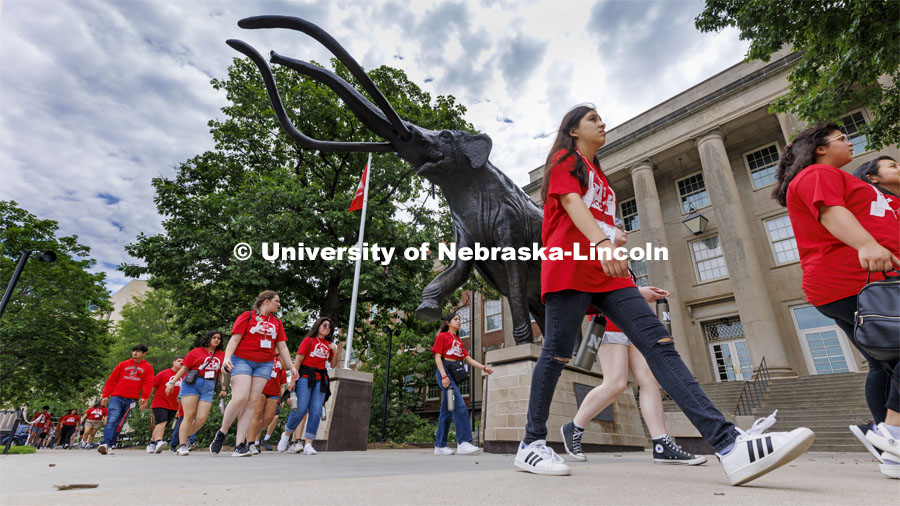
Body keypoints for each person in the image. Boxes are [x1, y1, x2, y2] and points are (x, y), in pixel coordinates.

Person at [518, 104, 814, 485]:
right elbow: (572, 204)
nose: (602, 122)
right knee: (556, 353)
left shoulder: (601, 177)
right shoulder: (565, 158)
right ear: (573, 130)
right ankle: (531, 443)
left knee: (660, 345)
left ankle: (729, 446)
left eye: (601, 117)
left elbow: (605, 222)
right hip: (571, 265)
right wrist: (602, 243)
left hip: (611, 274)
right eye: (593, 119)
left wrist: (627, 275)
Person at [773, 124, 900, 479]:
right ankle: (890, 434)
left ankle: (888, 443)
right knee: (890, 359)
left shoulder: (846, 179)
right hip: (854, 279)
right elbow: (830, 212)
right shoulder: (817, 173)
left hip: (866, 279)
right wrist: (867, 245)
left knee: (887, 364)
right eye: (841, 137)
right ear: (819, 148)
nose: (850, 140)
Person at [561, 287, 706, 466]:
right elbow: (599, 282)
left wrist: (640, 292)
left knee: (650, 380)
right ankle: (574, 427)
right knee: (616, 383)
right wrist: (638, 292)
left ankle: (661, 444)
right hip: (609, 319)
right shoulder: (601, 257)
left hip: (633, 319)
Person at [209, 292, 298, 457]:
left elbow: (283, 347)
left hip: (264, 364)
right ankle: (222, 432)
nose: (279, 305)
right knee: (240, 397)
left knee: (251, 402)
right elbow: (234, 340)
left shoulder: (276, 322)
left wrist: (292, 368)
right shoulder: (247, 316)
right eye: (276, 301)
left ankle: (239, 445)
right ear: (266, 301)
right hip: (242, 360)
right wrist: (226, 359)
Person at [432, 312, 493, 456]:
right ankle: (464, 442)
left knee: (447, 411)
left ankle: (440, 446)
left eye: (459, 320)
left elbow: (468, 359)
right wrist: (444, 376)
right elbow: (437, 357)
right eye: (456, 319)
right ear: (448, 322)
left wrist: (483, 367)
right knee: (459, 404)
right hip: (445, 374)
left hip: (454, 375)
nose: (459, 322)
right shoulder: (442, 336)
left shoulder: (458, 341)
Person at [281, 317, 341, 455]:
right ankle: (286, 434)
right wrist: (292, 380)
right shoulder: (309, 340)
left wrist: (335, 351)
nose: (327, 328)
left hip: (320, 379)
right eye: (324, 325)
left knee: (315, 411)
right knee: (300, 408)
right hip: (305, 377)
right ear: (318, 326)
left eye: (329, 327)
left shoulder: (329, 344)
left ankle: (308, 443)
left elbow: (332, 365)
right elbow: (299, 360)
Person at [167, 330, 226, 456]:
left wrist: (224, 388)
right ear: (208, 338)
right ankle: (182, 445)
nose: (216, 340)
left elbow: (222, 373)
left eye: (219, 338)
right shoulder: (196, 352)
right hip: (193, 384)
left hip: (209, 385)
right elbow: (184, 368)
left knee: (202, 417)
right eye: (214, 337)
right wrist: (173, 382)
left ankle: (185, 436)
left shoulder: (222, 355)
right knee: (189, 415)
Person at [98, 343, 154, 455]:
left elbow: (148, 383)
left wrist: (144, 397)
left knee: (120, 422)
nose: (135, 353)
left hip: (131, 400)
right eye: (134, 350)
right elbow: (112, 379)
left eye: (138, 351)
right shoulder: (123, 364)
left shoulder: (147, 367)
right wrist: (105, 395)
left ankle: (111, 443)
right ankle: (105, 444)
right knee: (112, 419)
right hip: (116, 397)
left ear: (143, 354)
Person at [248, 357, 288, 454]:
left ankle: (250, 434)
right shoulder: (265, 355)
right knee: (257, 416)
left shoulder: (281, 361)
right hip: (261, 389)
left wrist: (283, 398)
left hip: (274, 392)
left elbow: (283, 385)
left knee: (270, 417)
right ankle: (251, 442)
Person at [147, 356, 183, 454]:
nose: (181, 363)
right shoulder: (163, 373)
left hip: (174, 405)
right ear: (173, 362)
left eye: (183, 362)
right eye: (179, 361)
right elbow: (152, 386)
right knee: (161, 423)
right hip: (160, 402)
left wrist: (180, 409)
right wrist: (145, 399)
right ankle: (159, 441)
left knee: (162, 425)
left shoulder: (184, 376)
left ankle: (151, 443)